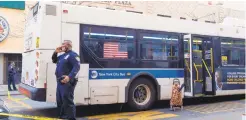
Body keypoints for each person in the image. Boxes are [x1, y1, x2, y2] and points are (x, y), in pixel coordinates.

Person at [52, 40, 80, 120]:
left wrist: (69, 77)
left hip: (67, 82)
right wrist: (55, 52)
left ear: (69, 45)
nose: (62, 45)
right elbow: (54, 60)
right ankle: (63, 117)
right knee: (60, 101)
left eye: (63, 44)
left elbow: (77, 66)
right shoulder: (63, 56)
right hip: (60, 82)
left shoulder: (73, 55)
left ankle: (71, 118)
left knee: (68, 102)